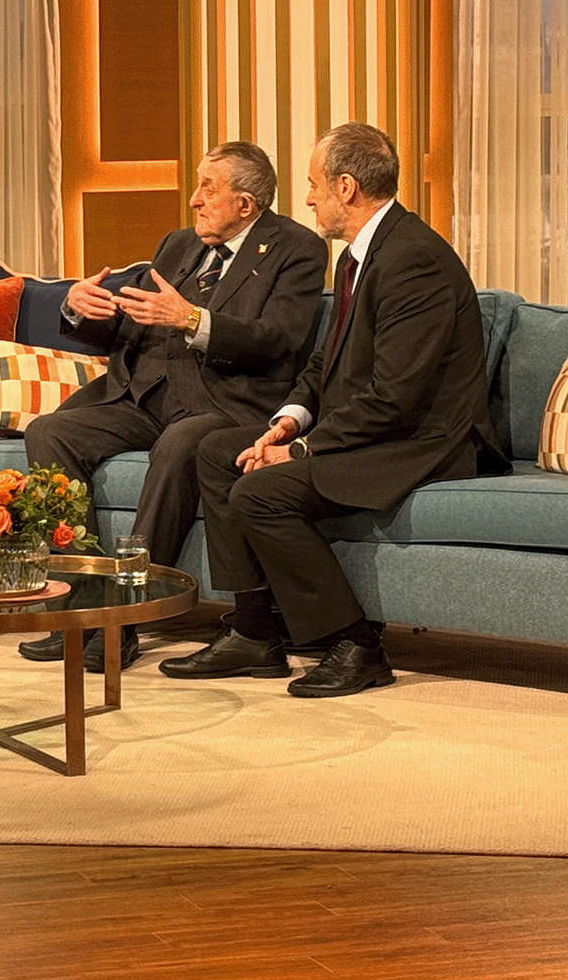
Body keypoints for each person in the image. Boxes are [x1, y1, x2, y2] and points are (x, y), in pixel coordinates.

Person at [162, 122, 505, 696]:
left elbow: (395, 399)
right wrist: (286, 423)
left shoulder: (412, 261)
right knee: (219, 451)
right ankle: (253, 632)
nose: (309, 198)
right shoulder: (357, 256)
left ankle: (356, 643)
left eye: (316, 184)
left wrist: (300, 451)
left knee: (261, 492)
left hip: (424, 441)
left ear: (346, 187)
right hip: (380, 428)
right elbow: (325, 364)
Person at [18, 142, 325, 673]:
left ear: (246, 205)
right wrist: (77, 309)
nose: (194, 201)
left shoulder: (296, 249)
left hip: (225, 402)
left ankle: (126, 618)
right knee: (49, 432)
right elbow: (126, 323)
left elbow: (280, 340)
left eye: (208, 188)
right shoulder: (179, 244)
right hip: (138, 395)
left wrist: (192, 321)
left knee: (181, 445)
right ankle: (85, 601)